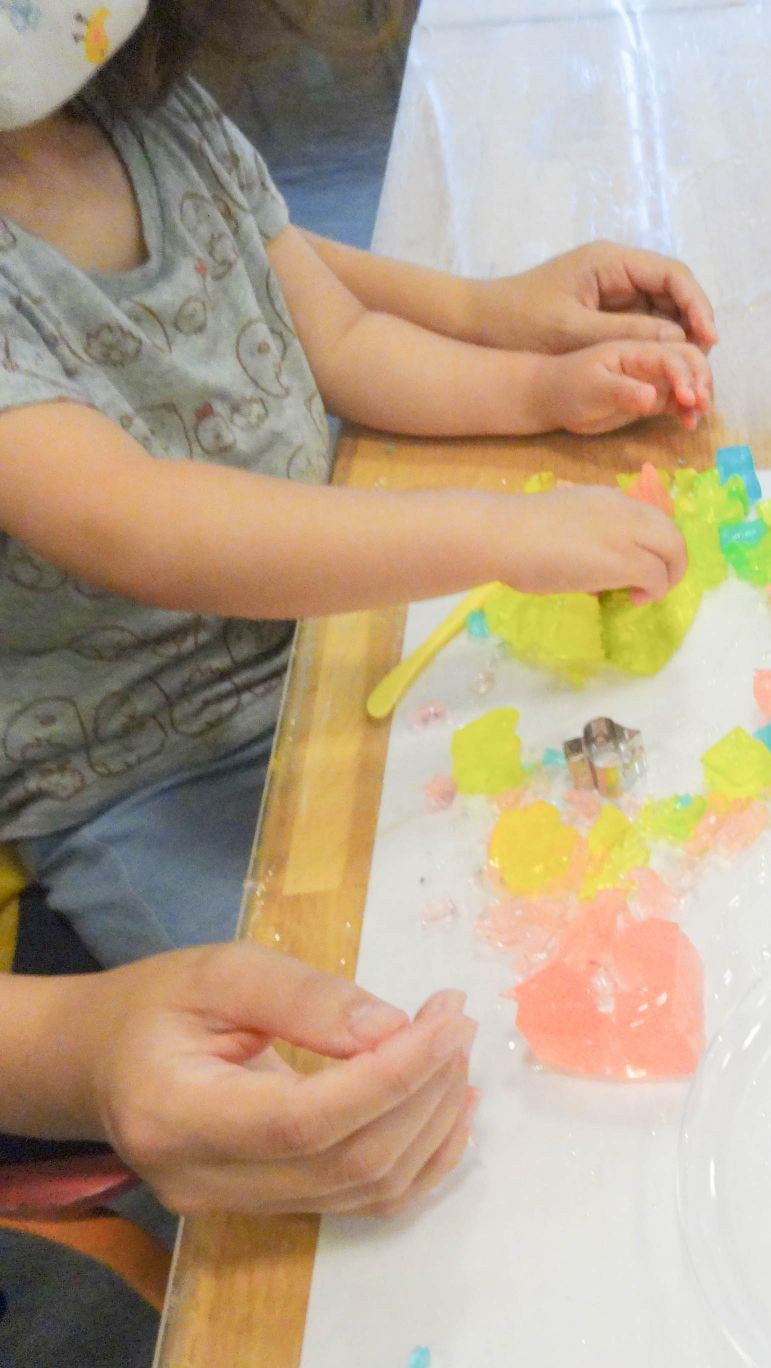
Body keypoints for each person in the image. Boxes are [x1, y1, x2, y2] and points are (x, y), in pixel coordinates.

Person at [0, 0, 718, 972]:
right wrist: (505, 529)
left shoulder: (160, 120)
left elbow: (341, 338)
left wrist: (542, 389)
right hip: (152, 777)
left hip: (336, 644)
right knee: (318, 1012)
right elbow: (136, 522)